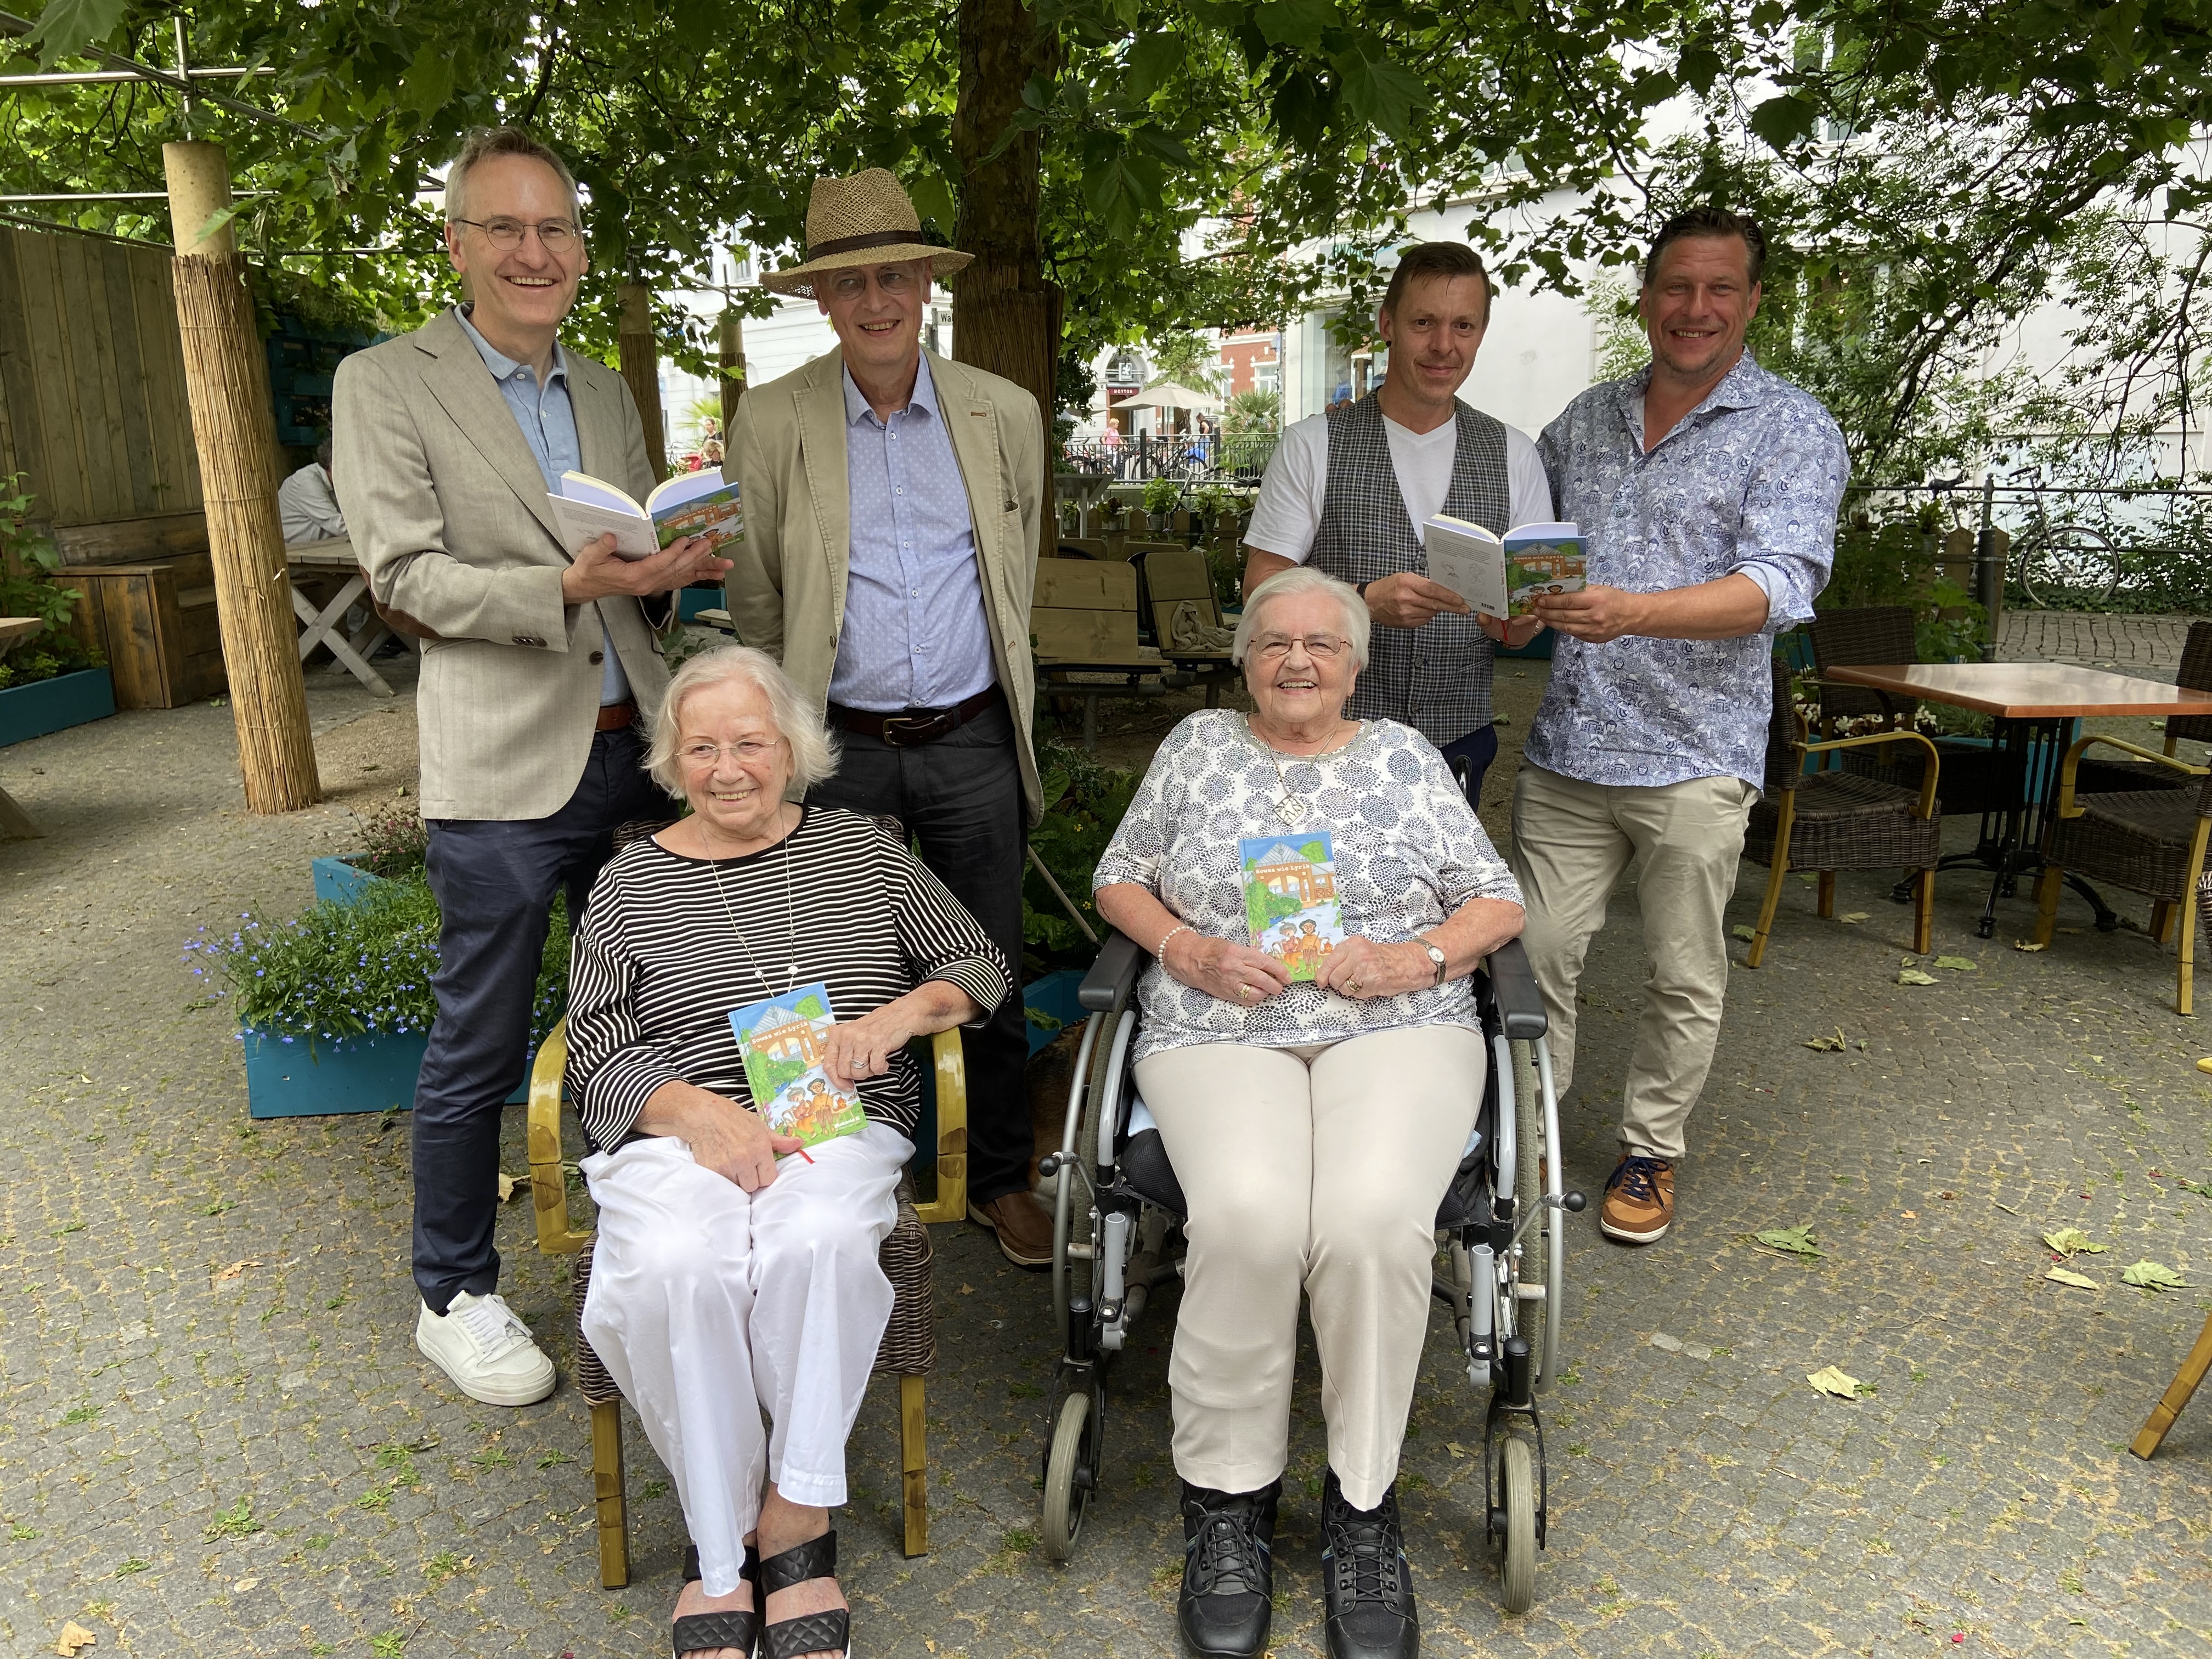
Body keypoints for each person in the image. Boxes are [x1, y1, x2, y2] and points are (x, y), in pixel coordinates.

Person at [333, 126, 728, 1407]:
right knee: (481, 1043)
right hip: (503, 771)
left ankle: (648, 1238)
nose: (532, 251)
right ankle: (453, 1292)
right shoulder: (387, 382)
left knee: (653, 1012)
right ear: (456, 245)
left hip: (634, 753)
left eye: (553, 227)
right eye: (502, 228)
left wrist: (665, 578)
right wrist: (564, 584)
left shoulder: (606, 389)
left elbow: (622, 562)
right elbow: (401, 581)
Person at [1092, 567, 1525, 1659]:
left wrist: (1413, 956)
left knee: (1376, 1222)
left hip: (1396, 1020)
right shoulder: (1195, 746)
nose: (1297, 661)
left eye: (1322, 645)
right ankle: (1228, 1505)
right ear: (1243, 657)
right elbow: (1120, 876)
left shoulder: (1406, 757)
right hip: (1219, 1023)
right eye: (1274, 641)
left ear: (1357, 664)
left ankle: (1363, 1509)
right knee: (1248, 1216)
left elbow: (1498, 896)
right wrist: (1184, 946)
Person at [566, 645, 1009, 1659]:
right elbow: (590, 1043)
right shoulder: (628, 882)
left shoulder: (864, 850)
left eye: (751, 742)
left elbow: (976, 963)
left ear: (794, 749)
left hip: (834, 1120)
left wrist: (898, 1016)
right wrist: (691, 1113)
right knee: (678, 1264)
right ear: (674, 762)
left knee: (814, 1238)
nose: (729, 767)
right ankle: (717, 1545)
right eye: (704, 746)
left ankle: (796, 1516)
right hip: (681, 1131)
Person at [725, 168, 1053, 1268]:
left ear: (926, 283)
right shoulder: (774, 419)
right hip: (839, 746)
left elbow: (1016, 575)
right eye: (852, 280)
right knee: (832, 969)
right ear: (823, 298)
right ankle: (851, 1177)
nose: (877, 298)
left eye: (895, 274)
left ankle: (1002, 1177)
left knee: (987, 965)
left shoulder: (1002, 413)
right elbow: (760, 596)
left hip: (968, 736)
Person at [1514, 205, 1847, 1247]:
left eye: (1717, 290)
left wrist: (1631, 610)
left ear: (1750, 302)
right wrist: (1510, 597)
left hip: (1695, 756)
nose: (1693, 309)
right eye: (1675, 287)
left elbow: (1775, 588)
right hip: (1570, 743)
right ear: (1646, 296)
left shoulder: (1793, 428)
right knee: (1537, 949)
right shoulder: (1582, 418)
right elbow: (1543, 558)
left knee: (1679, 969)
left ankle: (1649, 1149)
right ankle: (1529, 1136)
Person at [1241, 244, 1554, 808]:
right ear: (1387, 325)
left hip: (1458, 742)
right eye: (1423, 323)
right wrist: (1361, 602)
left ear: (1481, 332)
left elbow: (1526, 621)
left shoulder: (1514, 453)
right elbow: (1259, 588)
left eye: (1463, 325)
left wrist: (1513, 621)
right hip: (1321, 738)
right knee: (1315, 896)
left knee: (1447, 899)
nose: (1443, 345)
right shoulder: (1312, 444)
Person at [278, 436, 346, 545]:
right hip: (294, 553)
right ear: (333, 465)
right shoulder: (307, 481)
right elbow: (336, 524)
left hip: (320, 547)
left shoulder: (333, 482)